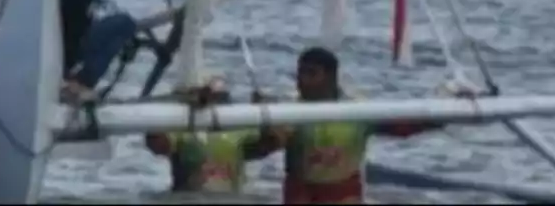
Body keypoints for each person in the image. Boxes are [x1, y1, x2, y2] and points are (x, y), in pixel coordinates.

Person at [260, 46, 472, 204]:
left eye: (311, 73)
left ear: (331, 77)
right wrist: (265, 123)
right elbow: (263, 147)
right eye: (300, 73)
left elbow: (404, 126)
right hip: (301, 194)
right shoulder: (288, 110)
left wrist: (447, 112)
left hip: (343, 195)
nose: (302, 80)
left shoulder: (358, 110)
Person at [143, 77, 272, 194]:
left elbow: (271, 143)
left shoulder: (239, 131)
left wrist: (265, 114)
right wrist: (160, 114)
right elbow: (156, 144)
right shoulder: (179, 130)